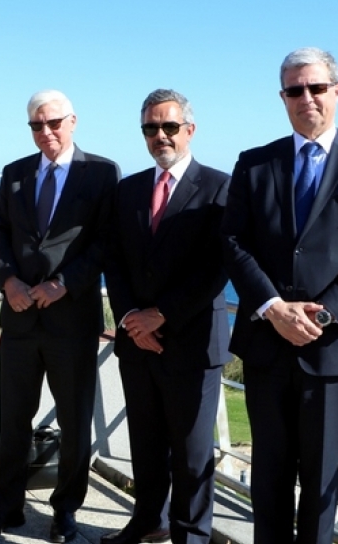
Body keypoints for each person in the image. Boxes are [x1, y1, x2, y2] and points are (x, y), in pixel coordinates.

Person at [221, 47, 338, 544]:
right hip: (267, 348)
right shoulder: (253, 163)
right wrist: (273, 308)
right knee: (267, 481)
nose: (305, 98)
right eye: (294, 90)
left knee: (321, 487)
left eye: (315, 87)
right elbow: (232, 241)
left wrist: (321, 316)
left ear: (337, 90)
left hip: (335, 351)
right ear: (282, 97)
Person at [0, 90, 121, 543]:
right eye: (37, 126)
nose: (47, 133)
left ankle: (65, 512)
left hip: (71, 320)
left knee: (77, 421)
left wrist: (64, 283)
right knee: (12, 420)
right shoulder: (14, 173)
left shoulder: (100, 173)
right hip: (19, 319)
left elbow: (105, 241)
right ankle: (7, 509)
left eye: (54, 123)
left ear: (73, 121)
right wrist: (8, 282)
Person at [101, 89, 230, 544]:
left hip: (192, 343)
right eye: (150, 128)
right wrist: (132, 319)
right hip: (138, 344)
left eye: (169, 126)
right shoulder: (128, 190)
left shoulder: (219, 187)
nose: (160, 136)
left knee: (193, 455)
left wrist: (162, 316)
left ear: (189, 130)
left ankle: (191, 535)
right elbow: (113, 260)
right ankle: (147, 522)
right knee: (147, 445)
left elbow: (218, 267)